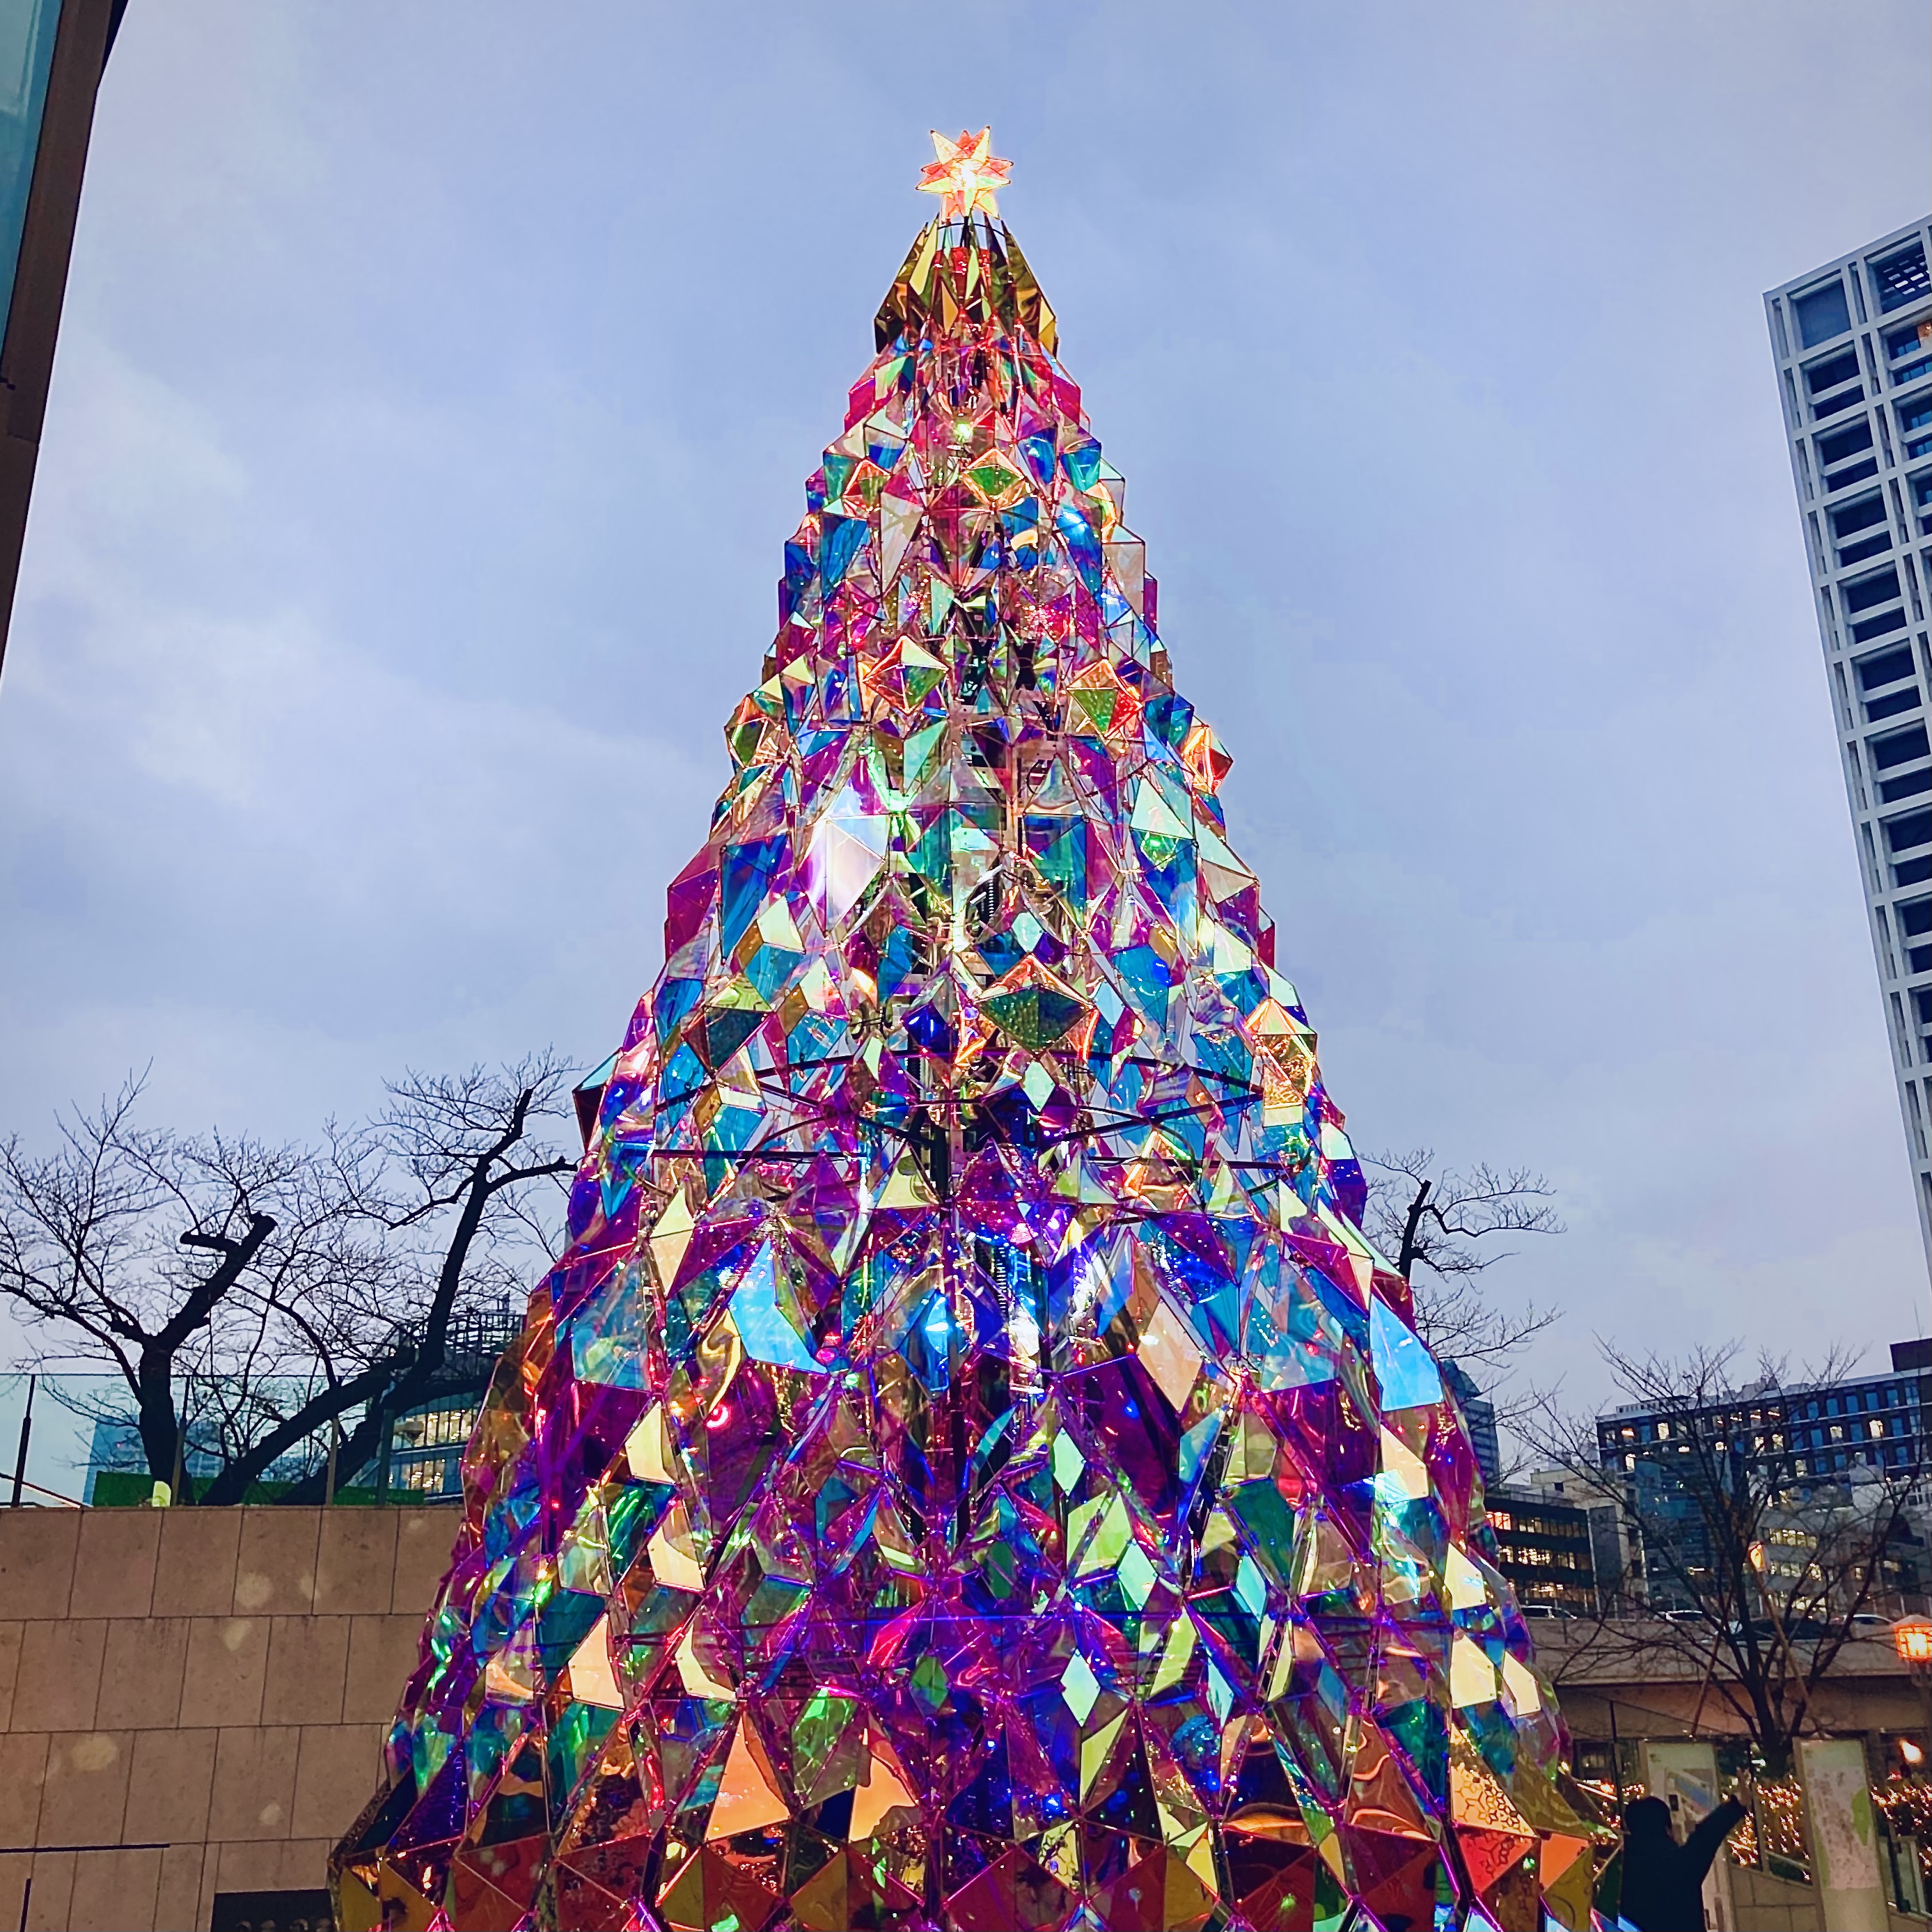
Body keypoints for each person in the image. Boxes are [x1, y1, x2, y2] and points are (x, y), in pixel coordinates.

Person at [1617, 1786, 1748, 1931]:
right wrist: (1736, 1806)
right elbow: (1707, 1836)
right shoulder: (1678, 1864)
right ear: (1667, 1828)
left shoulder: (1621, 1869)